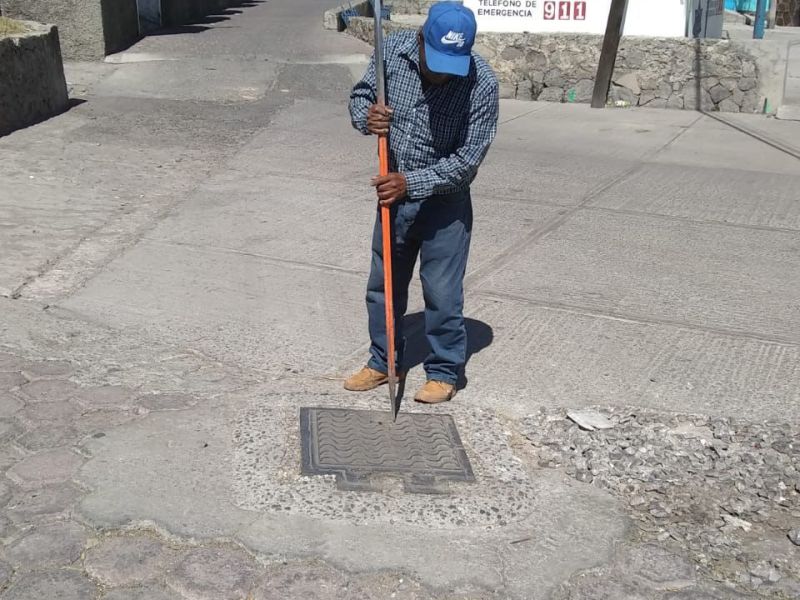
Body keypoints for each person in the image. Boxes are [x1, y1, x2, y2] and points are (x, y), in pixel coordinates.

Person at [344, 1, 499, 403]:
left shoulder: (482, 83)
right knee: (384, 286)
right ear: (419, 40)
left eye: (452, 64)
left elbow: (467, 161)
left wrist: (410, 183)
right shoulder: (392, 52)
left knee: (442, 293)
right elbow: (361, 97)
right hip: (393, 195)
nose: (443, 74)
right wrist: (368, 117)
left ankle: (444, 370)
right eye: (436, 62)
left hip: (445, 203)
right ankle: (384, 361)